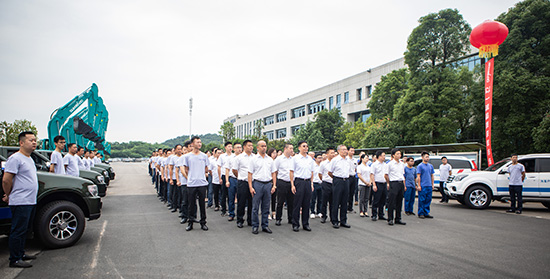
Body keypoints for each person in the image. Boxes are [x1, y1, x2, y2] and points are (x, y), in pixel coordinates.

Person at [2, 132, 39, 268]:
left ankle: (21, 253)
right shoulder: (15, 158)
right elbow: (6, 179)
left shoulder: (29, 158)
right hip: (20, 201)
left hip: (30, 200)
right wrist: (9, 194)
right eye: (31, 140)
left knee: (25, 230)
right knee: (18, 230)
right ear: (21, 143)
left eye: (35, 140)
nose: (34, 142)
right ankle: (15, 259)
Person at [248, 140, 276, 234]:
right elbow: (250, 174)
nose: (264, 147)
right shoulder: (254, 159)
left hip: (268, 184)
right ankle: (255, 226)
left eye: (265, 146)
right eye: (262, 146)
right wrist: (250, 187)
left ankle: (265, 225)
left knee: (266, 206)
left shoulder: (270, 159)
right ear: (258, 148)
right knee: (255, 206)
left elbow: (273, 173)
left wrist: (274, 185)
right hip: (257, 184)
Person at [183, 136, 209, 231]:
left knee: (202, 204)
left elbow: (206, 168)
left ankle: (203, 222)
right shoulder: (187, 156)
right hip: (191, 183)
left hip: (202, 183)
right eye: (197, 142)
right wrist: (191, 176)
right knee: (191, 204)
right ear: (192, 144)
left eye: (200, 142)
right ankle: (191, 222)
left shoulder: (204, 156)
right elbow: (186, 169)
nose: (199, 144)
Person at [291, 141, 314, 232]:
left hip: (307, 182)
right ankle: (295, 224)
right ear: (299, 148)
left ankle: (305, 223)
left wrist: (311, 183)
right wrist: (292, 185)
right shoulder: (295, 158)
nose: (305, 148)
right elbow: (291, 172)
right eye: (303, 146)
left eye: (307, 146)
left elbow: (312, 172)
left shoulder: (310, 159)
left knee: (306, 204)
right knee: (297, 204)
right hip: (299, 182)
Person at [328, 145, 351, 229]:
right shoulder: (335, 160)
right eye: (343, 149)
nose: (345, 151)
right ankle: (334, 220)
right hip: (338, 180)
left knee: (344, 201)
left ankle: (343, 220)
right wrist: (336, 179)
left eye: (346, 149)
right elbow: (330, 172)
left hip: (346, 180)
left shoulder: (348, 160)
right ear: (338, 151)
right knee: (336, 201)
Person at [233, 140, 254, 228]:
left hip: (253, 182)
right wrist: (240, 177)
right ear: (244, 147)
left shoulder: (255, 157)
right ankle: (240, 220)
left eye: (252, 146)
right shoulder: (239, 157)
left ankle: (250, 220)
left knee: (252, 202)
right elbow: (234, 170)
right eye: (249, 145)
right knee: (241, 202)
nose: (251, 147)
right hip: (243, 182)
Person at [273, 143, 295, 226]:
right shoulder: (279, 159)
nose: (292, 150)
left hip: (291, 182)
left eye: (292, 148)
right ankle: (278, 218)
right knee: (280, 201)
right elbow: (275, 171)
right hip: (282, 182)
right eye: (290, 148)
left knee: (291, 202)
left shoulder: (293, 159)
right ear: (285, 149)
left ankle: (290, 218)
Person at [385, 149, 406, 226]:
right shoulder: (390, 164)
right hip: (393, 183)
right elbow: (386, 175)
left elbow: (402, 175)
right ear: (393, 155)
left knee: (399, 201)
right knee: (391, 201)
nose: (399, 155)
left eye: (400, 154)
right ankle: (390, 218)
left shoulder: (401, 164)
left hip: (400, 183)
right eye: (397, 154)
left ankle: (398, 218)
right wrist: (389, 183)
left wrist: (404, 184)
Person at [370, 150, 388, 221]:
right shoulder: (374, 165)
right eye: (383, 155)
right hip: (377, 183)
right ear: (379, 156)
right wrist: (374, 184)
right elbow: (372, 174)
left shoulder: (385, 165)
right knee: (376, 199)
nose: (384, 157)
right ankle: (374, 214)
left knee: (383, 200)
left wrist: (387, 183)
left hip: (384, 183)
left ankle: (381, 214)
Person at [218, 142, 234, 219]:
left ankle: (231, 210)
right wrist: (220, 178)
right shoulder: (222, 156)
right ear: (225, 147)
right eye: (228, 146)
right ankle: (223, 210)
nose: (230, 148)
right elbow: (219, 167)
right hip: (224, 176)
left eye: (231, 146)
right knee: (224, 194)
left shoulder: (234, 156)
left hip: (232, 176)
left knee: (230, 195)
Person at [417, 152, 435, 219]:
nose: (427, 158)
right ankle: (421, 213)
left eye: (428, 157)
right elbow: (418, 176)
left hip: (429, 185)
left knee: (428, 199)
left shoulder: (430, 166)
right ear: (422, 157)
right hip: (423, 185)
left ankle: (426, 212)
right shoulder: (420, 166)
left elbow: (432, 175)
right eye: (426, 157)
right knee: (422, 200)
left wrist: (432, 184)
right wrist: (419, 185)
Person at [319, 147, 335, 224]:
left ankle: (333, 217)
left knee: (333, 202)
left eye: (334, 153)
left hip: (334, 184)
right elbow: (320, 174)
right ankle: (323, 216)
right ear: (327, 154)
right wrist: (324, 180)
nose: (333, 154)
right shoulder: (323, 163)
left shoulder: (335, 162)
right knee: (324, 201)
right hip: (326, 183)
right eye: (331, 153)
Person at [176, 142, 191, 224]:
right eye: (190, 146)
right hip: (185, 182)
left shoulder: (194, 157)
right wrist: (188, 179)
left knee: (192, 202)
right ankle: (184, 216)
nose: (191, 148)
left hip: (193, 183)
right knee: (185, 200)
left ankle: (193, 216)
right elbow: (181, 170)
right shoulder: (182, 158)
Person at [169, 145, 183, 213]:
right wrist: (171, 179)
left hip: (182, 178)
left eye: (180, 149)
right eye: (178, 149)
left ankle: (180, 207)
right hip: (175, 177)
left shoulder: (184, 157)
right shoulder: (173, 158)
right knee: (175, 193)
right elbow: (171, 169)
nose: (179, 150)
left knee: (181, 194)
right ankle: (174, 206)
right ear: (175, 150)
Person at [310, 153, 323, 219]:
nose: (320, 159)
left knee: (320, 199)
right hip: (314, 183)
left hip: (321, 183)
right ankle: (312, 212)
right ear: (315, 158)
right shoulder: (313, 165)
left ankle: (319, 211)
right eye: (319, 158)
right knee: (313, 199)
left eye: (321, 158)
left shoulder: (322, 165)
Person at [267, 148, 278, 220]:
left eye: (275, 153)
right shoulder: (267, 160)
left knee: (274, 198)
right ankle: (267, 213)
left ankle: (273, 212)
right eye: (273, 153)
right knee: (267, 198)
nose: (275, 154)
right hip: (268, 180)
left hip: (275, 181)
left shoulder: (276, 161)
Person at [347, 147, 358, 213]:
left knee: (352, 193)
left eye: (353, 151)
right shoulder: (346, 159)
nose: (352, 152)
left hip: (353, 177)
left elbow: (355, 169)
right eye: (351, 151)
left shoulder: (355, 160)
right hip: (347, 177)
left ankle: (350, 207)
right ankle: (345, 207)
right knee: (346, 193)